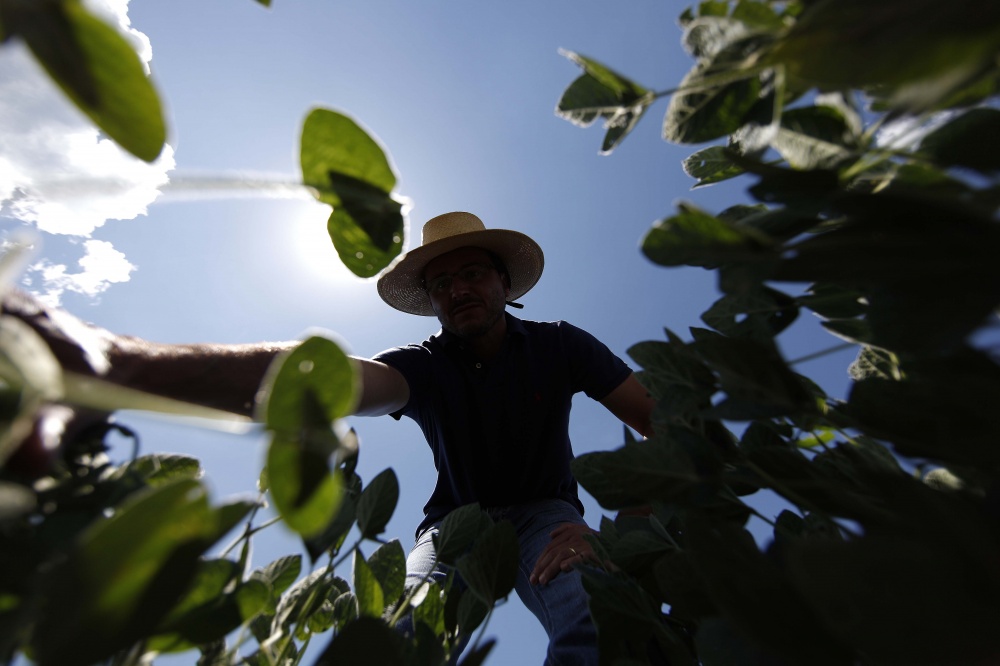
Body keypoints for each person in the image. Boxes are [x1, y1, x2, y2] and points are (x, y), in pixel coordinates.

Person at [5, 211, 654, 665]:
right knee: (402, 637)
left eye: (472, 274)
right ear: (431, 301)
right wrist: (122, 364)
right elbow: (332, 379)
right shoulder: (425, 366)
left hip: (549, 516)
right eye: (441, 283)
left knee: (601, 614)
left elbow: (661, 421)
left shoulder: (562, 345)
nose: (458, 291)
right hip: (454, 524)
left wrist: (625, 522)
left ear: (504, 284)